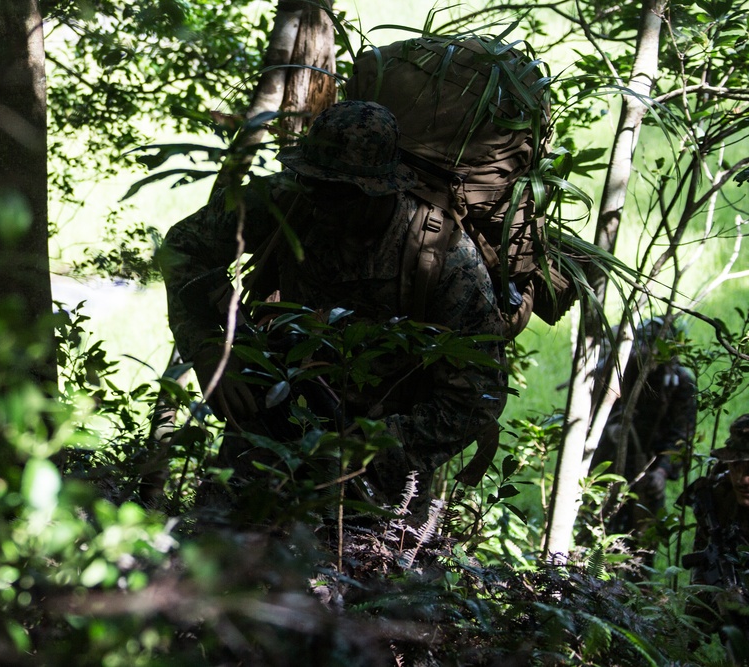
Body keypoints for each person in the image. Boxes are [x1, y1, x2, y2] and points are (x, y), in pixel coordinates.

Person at [159, 100, 507, 507]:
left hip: (375, 474)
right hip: (270, 428)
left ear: (382, 190)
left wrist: (371, 446)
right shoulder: (292, 200)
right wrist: (206, 347)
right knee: (217, 552)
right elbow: (182, 248)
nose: (323, 200)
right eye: (314, 182)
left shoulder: (443, 257)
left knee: (365, 567)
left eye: (342, 191)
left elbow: (477, 397)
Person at [591, 317, 697, 549]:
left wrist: (662, 470)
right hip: (608, 463)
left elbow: (682, 434)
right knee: (597, 530)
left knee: (645, 539)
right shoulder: (616, 370)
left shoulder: (679, 383)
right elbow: (591, 415)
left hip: (649, 467)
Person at [680, 413, 749, 657]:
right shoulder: (718, 499)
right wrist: (689, 637)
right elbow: (704, 567)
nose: (743, 479)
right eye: (736, 465)